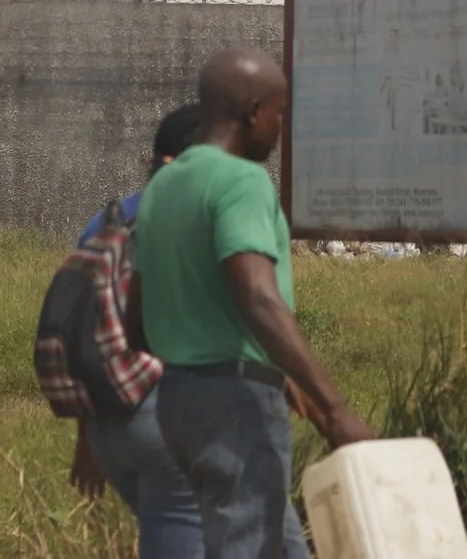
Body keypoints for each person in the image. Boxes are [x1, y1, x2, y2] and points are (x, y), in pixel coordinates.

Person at [131, 48, 374, 559]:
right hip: (235, 404)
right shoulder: (241, 182)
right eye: (280, 114)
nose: (280, 128)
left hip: (176, 399)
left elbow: (138, 322)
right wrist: (335, 408)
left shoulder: (163, 187)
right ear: (253, 112)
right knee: (247, 546)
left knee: (278, 545)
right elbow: (257, 295)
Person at [68, 102, 208, 559]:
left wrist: (87, 440)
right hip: (171, 421)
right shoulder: (199, 219)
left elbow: (87, 333)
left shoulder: (108, 220)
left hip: (112, 427)